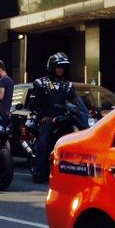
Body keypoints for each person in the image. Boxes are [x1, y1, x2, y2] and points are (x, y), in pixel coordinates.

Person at [28, 52, 79, 183]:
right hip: (47, 119)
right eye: (58, 67)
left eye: (62, 67)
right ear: (52, 67)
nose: (60, 69)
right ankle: (39, 173)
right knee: (44, 143)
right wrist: (42, 116)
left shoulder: (68, 85)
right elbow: (32, 103)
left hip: (64, 118)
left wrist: (86, 110)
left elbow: (76, 102)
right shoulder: (40, 83)